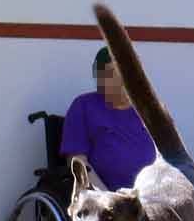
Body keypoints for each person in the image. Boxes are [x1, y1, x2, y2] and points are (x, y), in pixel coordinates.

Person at [60, 46, 157, 192]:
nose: (120, 80)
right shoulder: (84, 106)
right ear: (99, 78)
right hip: (108, 200)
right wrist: (105, 197)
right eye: (112, 73)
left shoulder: (147, 109)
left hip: (151, 195)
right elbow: (77, 160)